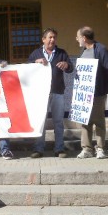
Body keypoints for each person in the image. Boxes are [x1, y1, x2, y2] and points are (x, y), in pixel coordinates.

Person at [28, 28, 73, 158]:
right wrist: (35, 62)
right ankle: (38, 149)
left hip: (58, 92)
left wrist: (67, 65)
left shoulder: (61, 53)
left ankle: (59, 149)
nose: (52, 40)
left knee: (58, 122)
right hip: (41, 93)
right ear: (43, 39)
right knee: (40, 121)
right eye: (50, 37)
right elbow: (27, 69)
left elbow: (70, 69)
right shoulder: (36, 53)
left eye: (54, 37)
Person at [75, 27, 108, 159]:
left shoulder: (101, 50)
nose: (77, 39)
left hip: (98, 92)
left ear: (84, 38)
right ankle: (87, 149)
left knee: (98, 121)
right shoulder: (83, 51)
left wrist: (104, 90)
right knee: (84, 120)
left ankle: (100, 149)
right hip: (84, 93)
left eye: (78, 36)